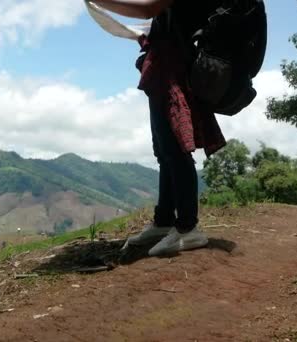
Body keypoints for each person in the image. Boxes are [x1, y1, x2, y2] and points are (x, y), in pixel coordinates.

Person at [92, 0, 228, 256]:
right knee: (164, 150)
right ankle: (164, 221)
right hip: (166, 65)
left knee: (175, 149)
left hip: (172, 67)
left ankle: (189, 228)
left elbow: (148, 8)